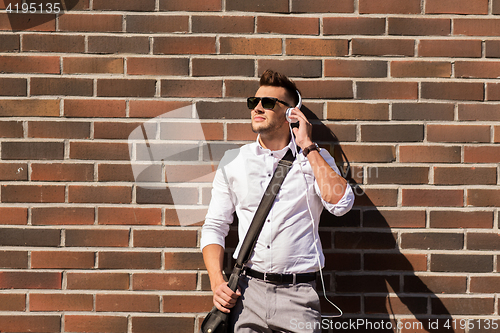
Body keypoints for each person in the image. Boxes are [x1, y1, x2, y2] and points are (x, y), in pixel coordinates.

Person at [200, 69, 355, 333]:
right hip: (247, 294)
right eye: (254, 102)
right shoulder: (234, 161)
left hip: (298, 295)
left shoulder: (316, 159)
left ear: (291, 113)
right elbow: (215, 226)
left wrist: (307, 144)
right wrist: (217, 282)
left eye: (268, 103)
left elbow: (341, 204)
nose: (258, 107)